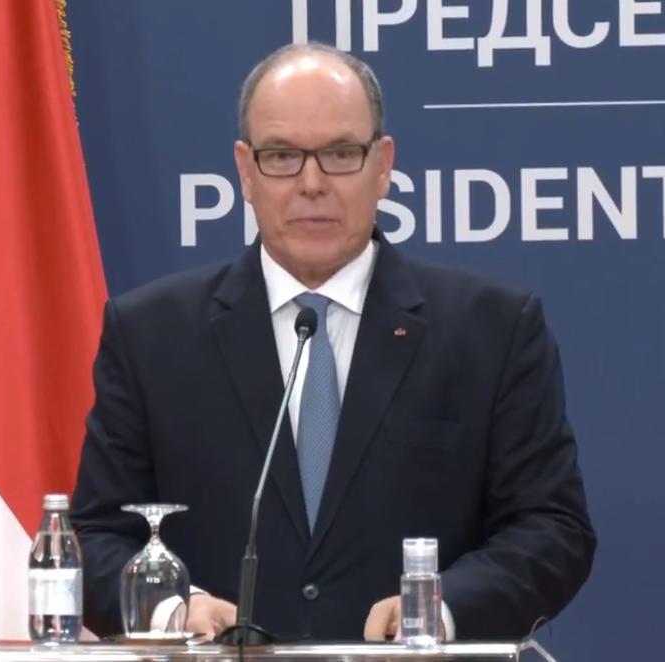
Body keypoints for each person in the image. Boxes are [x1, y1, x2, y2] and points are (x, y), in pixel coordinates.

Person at [71, 42, 596, 642]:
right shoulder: (151, 334)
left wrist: (440, 608)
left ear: (383, 164)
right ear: (245, 171)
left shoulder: (492, 329)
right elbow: (96, 537)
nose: (312, 183)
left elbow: (552, 529)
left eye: (341, 154)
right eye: (281, 156)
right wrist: (172, 609)